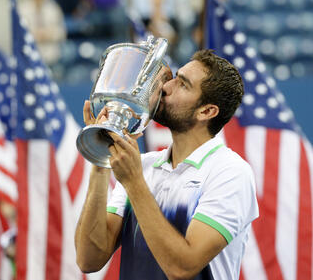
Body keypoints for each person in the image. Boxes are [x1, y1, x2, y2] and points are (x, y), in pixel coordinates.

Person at [75, 49, 259, 280]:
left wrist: (134, 182)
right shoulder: (143, 166)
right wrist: (101, 157)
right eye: (175, 77)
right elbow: (88, 259)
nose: (164, 87)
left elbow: (182, 268)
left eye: (182, 84)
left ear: (207, 111)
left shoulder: (230, 172)